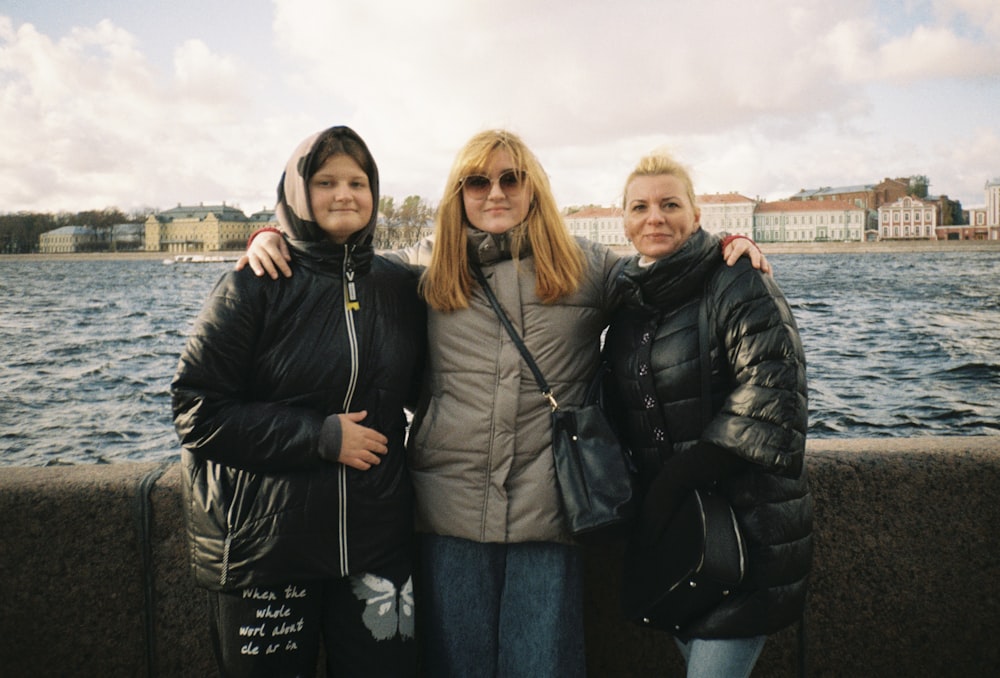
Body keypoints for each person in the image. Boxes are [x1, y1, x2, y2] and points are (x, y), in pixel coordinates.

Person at [240, 129, 769, 677]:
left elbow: (667, 276)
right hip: (450, 509)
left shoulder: (586, 267)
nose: (495, 192)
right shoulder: (425, 266)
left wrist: (728, 246)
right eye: (478, 181)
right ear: (459, 192)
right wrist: (272, 235)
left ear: (533, 187)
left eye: (510, 178)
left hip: (549, 509)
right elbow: (340, 266)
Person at [171, 125, 426, 677]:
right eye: (326, 181)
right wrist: (320, 437)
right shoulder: (254, 283)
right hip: (269, 550)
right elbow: (198, 410)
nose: (344, 195)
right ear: (296, 193)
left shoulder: (397, 286)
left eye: (358, 182)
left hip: (375, 544)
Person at [602, 151, 813, 677]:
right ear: (624, 222)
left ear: (697, 216)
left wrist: (672, 483)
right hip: (679, 541)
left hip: (748, 536)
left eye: (670, 204)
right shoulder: (626, 302)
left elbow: (773, 397)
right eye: (641, 207)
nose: (655, 217)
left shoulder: (738, 280)